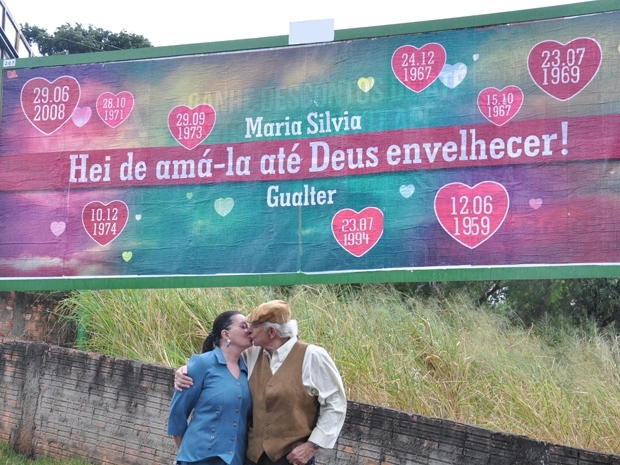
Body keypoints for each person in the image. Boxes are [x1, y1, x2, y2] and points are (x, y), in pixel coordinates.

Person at [175, 300, 347, 465]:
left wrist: (312, 446)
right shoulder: (252, 353)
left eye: (254, 327)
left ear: (271, 332)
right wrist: (185, 370)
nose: (249, 331)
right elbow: (219, 360)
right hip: (252, 457)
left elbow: (335, 404)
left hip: (292, 458)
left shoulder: (312, 356)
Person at [168, 310, 253, 465]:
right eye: (243, 326)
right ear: (226, 334)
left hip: (234, 459)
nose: (249, 330)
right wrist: (188, 453)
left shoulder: (248, 369)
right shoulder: (202, 364)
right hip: (198, 458)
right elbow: (178, 412)